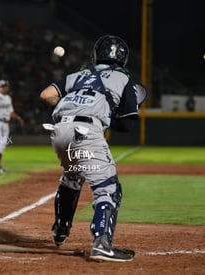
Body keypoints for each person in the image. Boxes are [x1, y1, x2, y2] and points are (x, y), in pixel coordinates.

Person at [39, 35, 147, 262]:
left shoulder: (79, 74)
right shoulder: (124, 78)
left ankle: (61, 229)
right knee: (108, 189)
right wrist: (104, 115)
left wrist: (71, 108)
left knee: (72, 177)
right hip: (87, 132)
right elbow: (127, 123)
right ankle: (102, 244)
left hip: (59, 131)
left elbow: (46, 95)